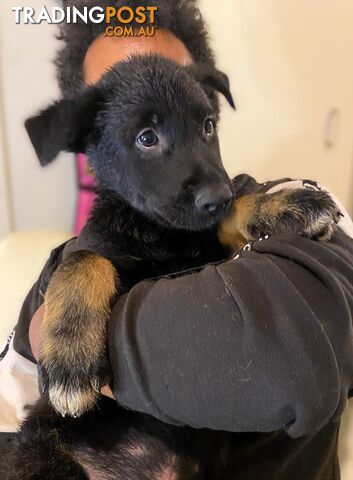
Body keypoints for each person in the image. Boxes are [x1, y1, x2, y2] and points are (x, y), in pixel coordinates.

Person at [1, 2, 353, 479]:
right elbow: (12, 422)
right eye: (147, 135)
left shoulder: (291, 204)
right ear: (90, 140)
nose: (210, 182)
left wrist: (81, 340)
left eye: (202, 123)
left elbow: (304, 356)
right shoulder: (66, 266)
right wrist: (81, 276)